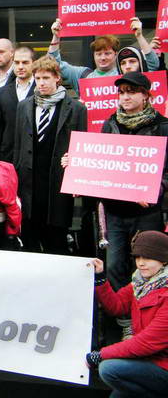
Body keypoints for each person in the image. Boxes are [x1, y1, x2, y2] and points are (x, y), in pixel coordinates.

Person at [64, 71, 168, 338]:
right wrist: (77, 168)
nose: (125, 97)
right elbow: (102, 163)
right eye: (121, 92)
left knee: (145, 268)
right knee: (114, 268)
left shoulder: (163, 126)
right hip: (115, 212)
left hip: (146, 212)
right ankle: (124, 324)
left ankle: (148, 324)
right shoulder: (110, 123)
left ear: (146, 96)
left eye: (131, 92)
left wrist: (157, 188)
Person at [13, 56, 86, 254]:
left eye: (46, 78)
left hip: (58, 184)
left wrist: (76, 176)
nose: (41, 83)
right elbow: (18, 146)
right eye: (38, 78)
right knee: (30, 241)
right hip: (29, 183)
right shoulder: (24, 106)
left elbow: (81, 147)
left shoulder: (76, 109)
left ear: (57, 78)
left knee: (57, 242)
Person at [86, 230, 168, 397]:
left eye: (148, 258)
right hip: (148, 361)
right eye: (137, 257)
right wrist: (100, 277)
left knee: (109, 369)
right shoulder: (140, 283)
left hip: (162, 365)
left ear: (164, 260)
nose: (141, 263)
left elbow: (146, 343)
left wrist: (100, 355)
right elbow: (116, 307)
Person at [48, 17, 159, 96]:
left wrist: (139, 36)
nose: (102, 58)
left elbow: (152, 65)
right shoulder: (82, 75)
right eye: (98, 54)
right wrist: (56, 36)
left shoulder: (124, 73)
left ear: (116, 54)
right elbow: (52, 64)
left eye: (107, 53)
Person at [0, 46, 36, 163]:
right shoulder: (1, 93)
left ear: (34, 63)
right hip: (7, 157)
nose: (20, 66)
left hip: (35, 157)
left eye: (25, 62)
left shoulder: (41, 90)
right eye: (16, 62)